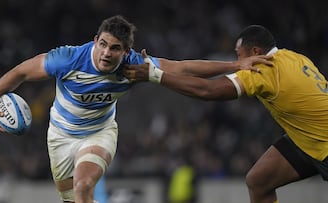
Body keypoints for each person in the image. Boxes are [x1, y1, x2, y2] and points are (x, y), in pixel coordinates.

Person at [0, 13, 270, 203]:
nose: (107, 53)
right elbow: (20, 72)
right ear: (95, 41)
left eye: (115, 48)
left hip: (99, 133)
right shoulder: (67, 59)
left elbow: (184, 67)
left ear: (125, 51)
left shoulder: (134, 66)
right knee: (73, 199)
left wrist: (236, 65)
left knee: (83, 188)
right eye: (103, 44)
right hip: (60, 136)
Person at [124, 25, 328, 203]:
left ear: (256, 51)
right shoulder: (295, 57)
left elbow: (209, 91)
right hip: (306, 139)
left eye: (240, 55)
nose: (238, 61)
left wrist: (156, 76)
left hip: (324, 144)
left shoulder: (263, 70)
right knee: (259, 180)